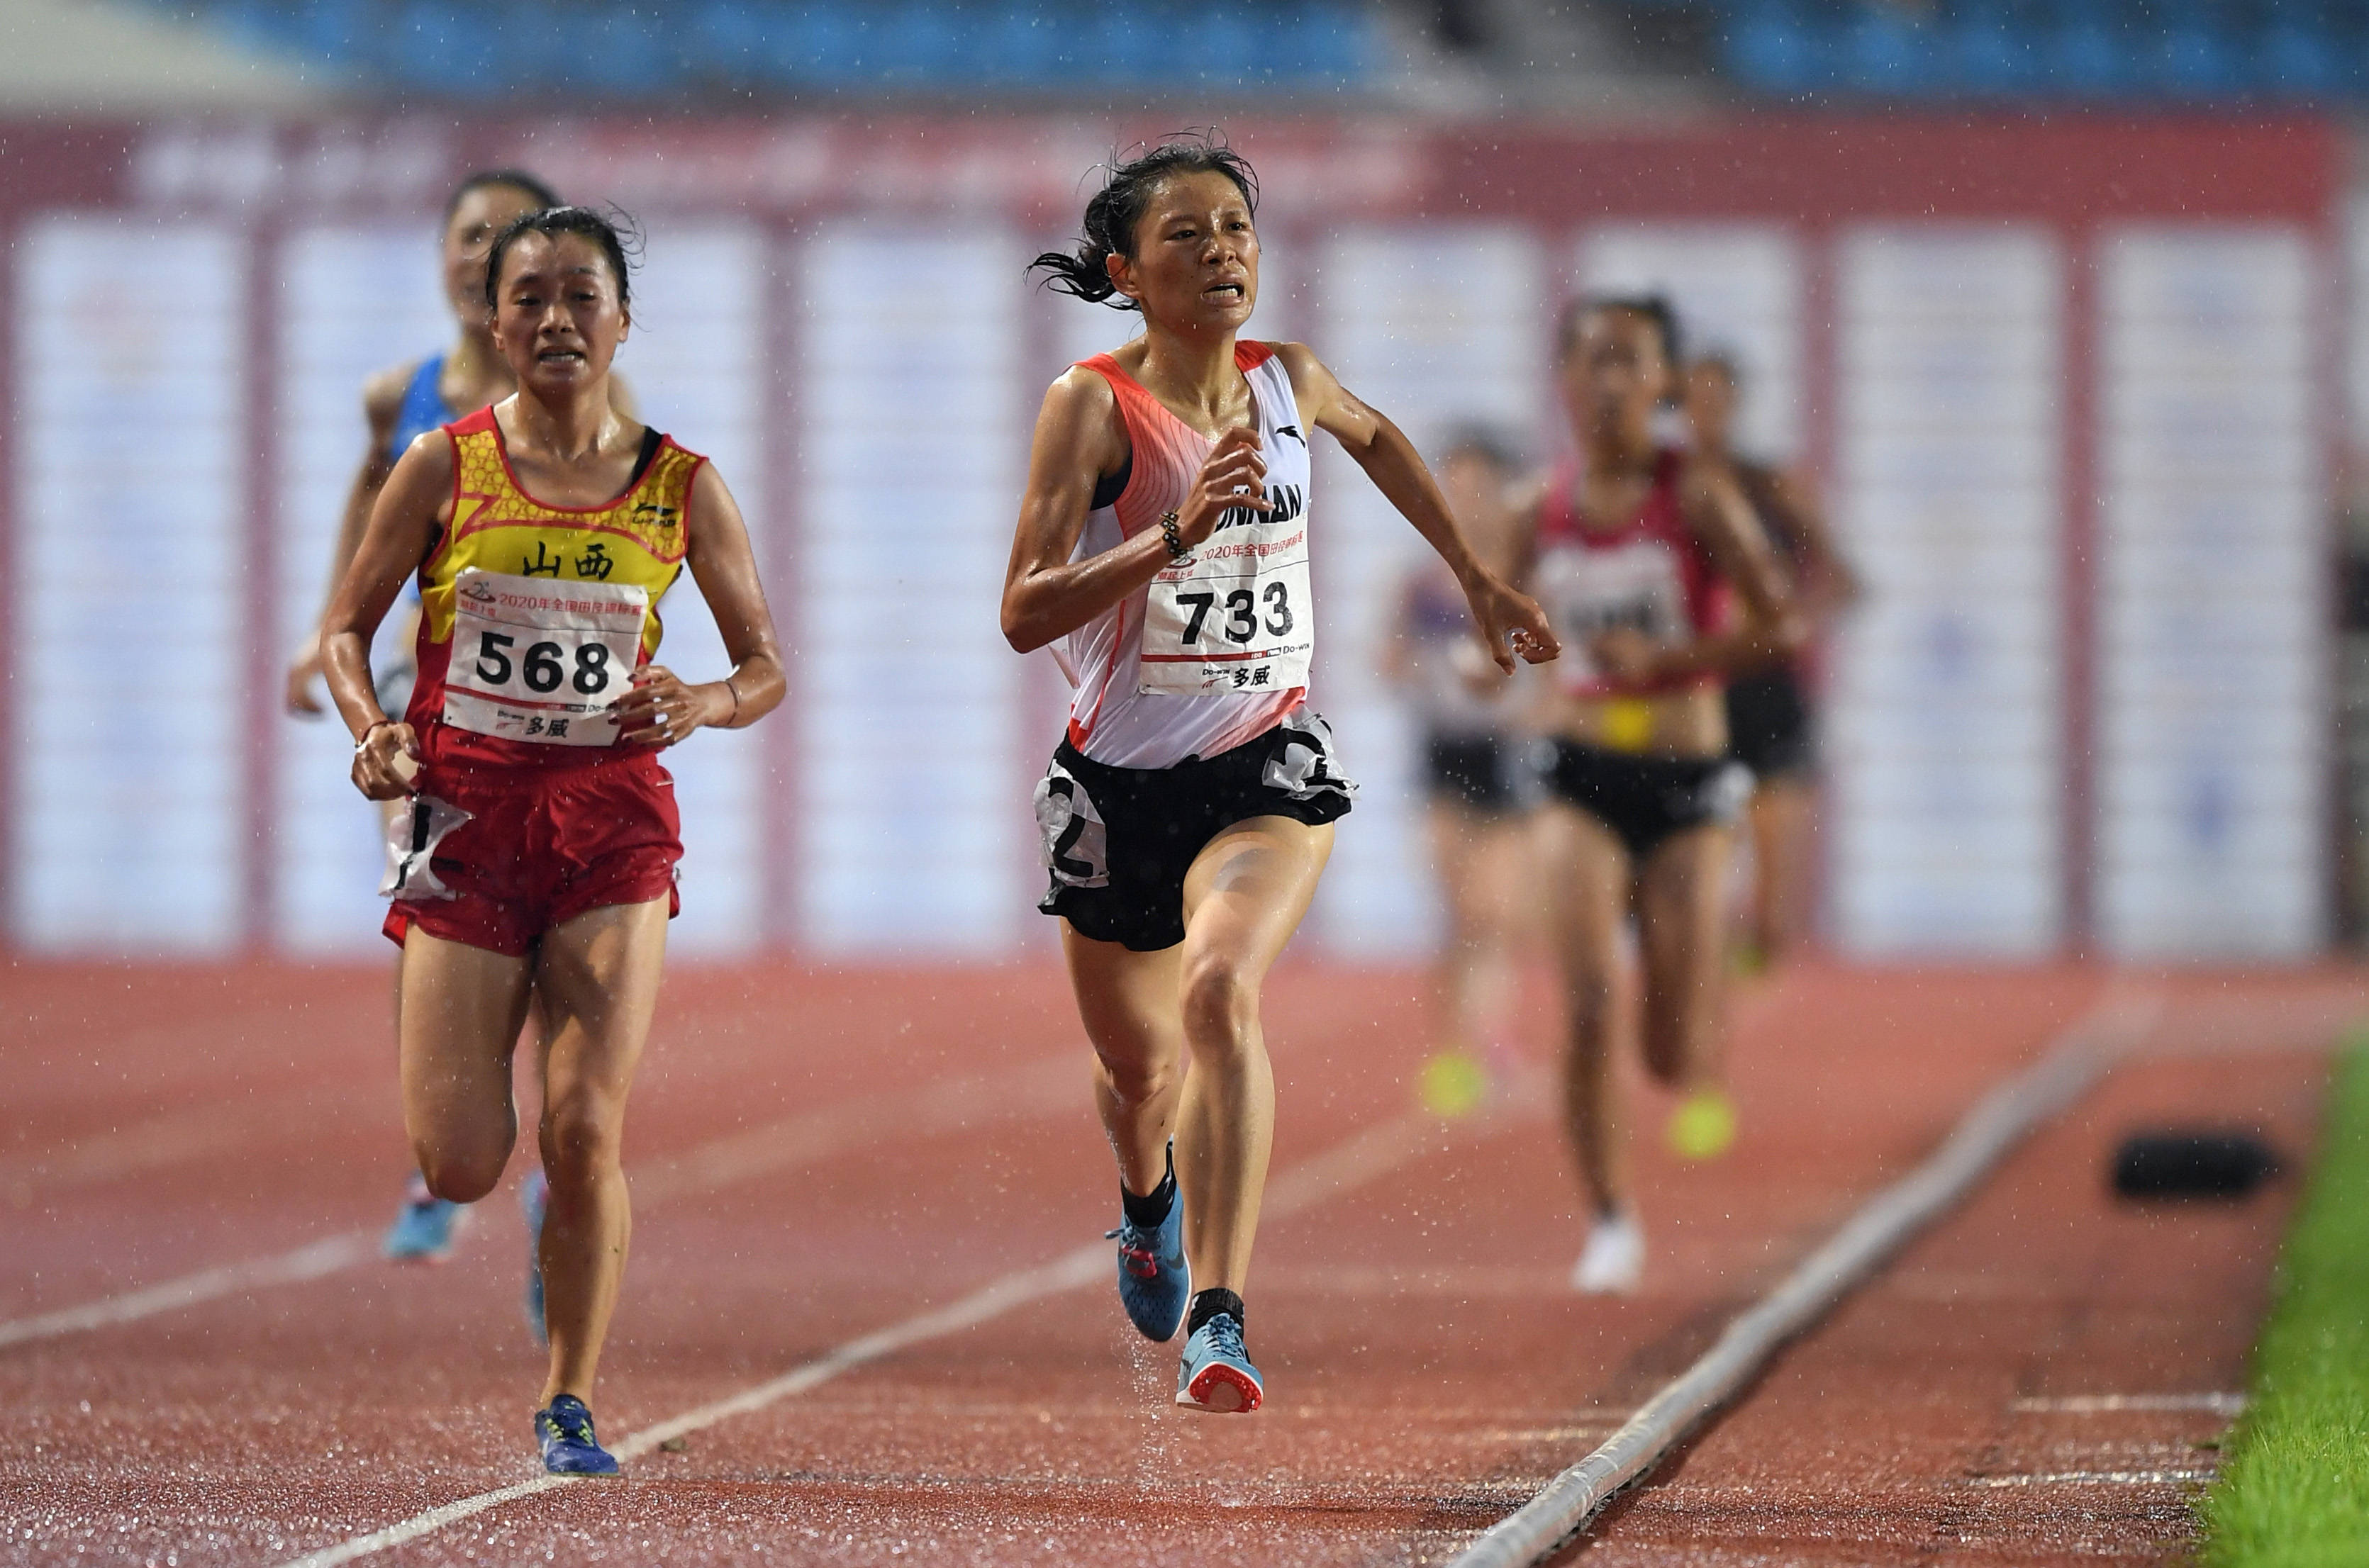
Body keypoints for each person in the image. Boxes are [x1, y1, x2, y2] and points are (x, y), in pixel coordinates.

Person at [1005, 138, 1557, 1413]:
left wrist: (1475, 579)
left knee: (1217, 987)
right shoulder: (1090, 406)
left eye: (1236, 228)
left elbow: (1376, 435)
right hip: (1115, 789)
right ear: (1126, 271)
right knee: (1141, 1078)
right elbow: (1024, 610)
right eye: (1186, 234)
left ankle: (1220, 1311)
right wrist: (1171, 534)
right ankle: (1146, 1202)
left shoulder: (1287, 381)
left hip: (1264, 762)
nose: (1221, 252)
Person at [320, 206, 784, 1474]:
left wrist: (700, 699)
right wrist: (371, 730)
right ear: (494, 321)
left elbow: (766, 667)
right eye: (529, 298)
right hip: (468, 822)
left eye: (583, 296)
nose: (557, 320)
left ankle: (568, 1396)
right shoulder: (440, 464)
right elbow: (344, 636)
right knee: (461, 1160)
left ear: (624, 320)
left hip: (613, 829)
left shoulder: (681, 483)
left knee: (584, 1129)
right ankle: (529, 1208)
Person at [283, 169, 632, 1273]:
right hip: (420, 695)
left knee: (537, 928)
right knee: (424, 883)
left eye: (503, 236)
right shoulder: (406, 393)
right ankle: (440, 1137)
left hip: (553, 724)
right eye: (466, 235)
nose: (481, 251)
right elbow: (370, 492)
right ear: (450, 264)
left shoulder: (577, 395)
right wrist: (320, 631)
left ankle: (552, 1156)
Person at [1509, 297, 1799, 1294]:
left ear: (1661, 384)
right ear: (1562, 381)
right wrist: (1487, 656)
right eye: (1587, 361)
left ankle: (1679, 987)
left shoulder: (1699, 495)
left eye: (1626, 362)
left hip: (1683, 780)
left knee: (1670, 1051)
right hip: (1577, 775)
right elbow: (1488, 618)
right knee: (1587, 1000)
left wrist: (1671, 657)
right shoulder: (1533, 506)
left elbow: (1782, 629)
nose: (1605, 382)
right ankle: (1607, 1220)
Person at [1683, 353, 1859, 970]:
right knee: (1700, 871)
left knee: (1772, 895)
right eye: (1693, 399)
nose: (1705, 413)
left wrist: (1790, 618)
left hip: (1770, 694)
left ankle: (1752, 962)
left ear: (1733, 406)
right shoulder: (1661, 491)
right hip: (1698, 697)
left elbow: (1843, 582)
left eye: (1716, 399)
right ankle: (1708, 1012)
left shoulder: (1773, 488)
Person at [1381, 428, 1535, 1100]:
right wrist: (1427, 669)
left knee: (1494, 913)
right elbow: (1387, 659)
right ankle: (1453, 1050)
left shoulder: (1525, 579)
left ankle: (1490, 1039)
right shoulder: (1422, 584)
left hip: (1506, 753)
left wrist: (1516, 693)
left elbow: (1558, 675)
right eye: (1455, 489)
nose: (1466, 503)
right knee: (1457, 911)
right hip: (1445, 751)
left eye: (1478, 489)